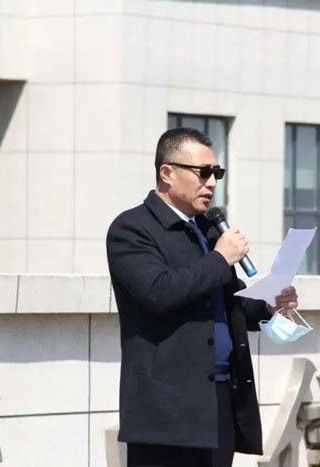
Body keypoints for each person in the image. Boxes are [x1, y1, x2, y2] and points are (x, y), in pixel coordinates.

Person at [106, 128, 299, 467]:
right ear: (167, 172)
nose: (211, 183)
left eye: (217, 174)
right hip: (165, 410)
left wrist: (269, 307)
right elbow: (159, 292)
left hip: (219, 399)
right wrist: (221, 258)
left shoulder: (207, 230)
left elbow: (227, 303)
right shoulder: (132, 229)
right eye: (203, 173)